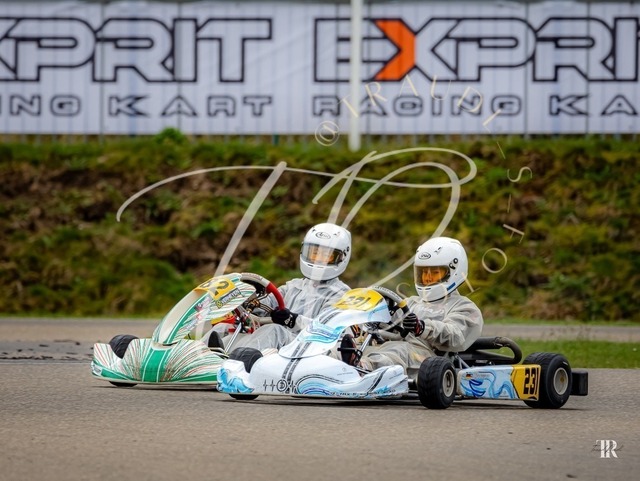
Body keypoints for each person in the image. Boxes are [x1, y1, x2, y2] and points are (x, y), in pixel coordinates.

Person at [356, 236, 483, 378]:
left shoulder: (464, 307)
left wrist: (422, 327)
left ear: (453, 272)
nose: (427, 278)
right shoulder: (410, 302)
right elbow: (390, 325)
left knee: (399, 351)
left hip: (430, 360)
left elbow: (456, 336)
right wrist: (374, 317)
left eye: (435, 273)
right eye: (424, 272)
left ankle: (363, 369)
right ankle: (344, 364)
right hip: (393, 349)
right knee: (356, 347)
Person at [222, 222, 352, 351]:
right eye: (314, 253)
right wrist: (248, 295)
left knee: (274, 330)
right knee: (223, 328)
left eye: (326, 255)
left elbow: (329, 329)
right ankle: (213, 358)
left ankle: (239, 361)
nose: (318, 258)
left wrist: (292, 320)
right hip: (282, 348)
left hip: (312, 350)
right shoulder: (294, 286)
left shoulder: (342, 294)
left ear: (342, 257)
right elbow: (265, 306)